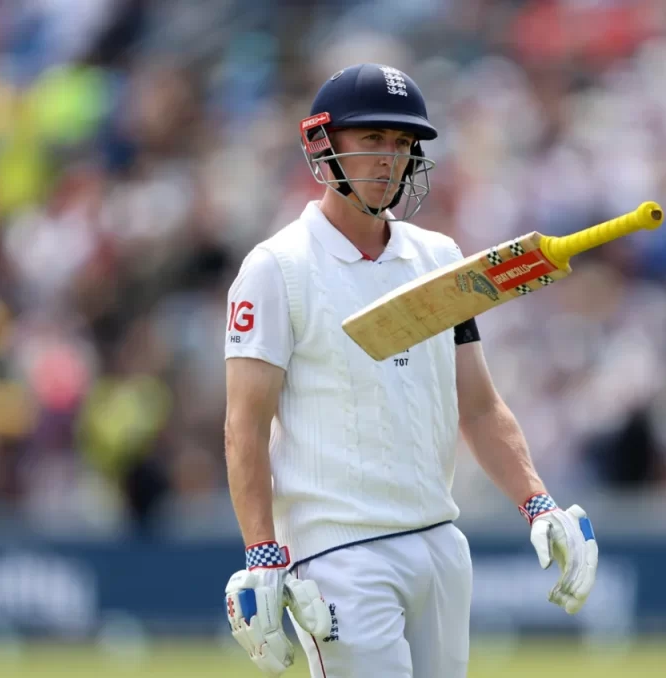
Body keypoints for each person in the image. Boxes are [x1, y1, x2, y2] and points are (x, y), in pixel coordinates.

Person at [222, 63, 598, 678]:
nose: (389, 160)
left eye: (401, 144)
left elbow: (477, 404)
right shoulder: (276, 268)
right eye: (371, 139)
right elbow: (244, 424)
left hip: (439, 543)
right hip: (338, 553)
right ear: (324, 145)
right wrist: (263, 552)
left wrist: (539, 503)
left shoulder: (439, 258)